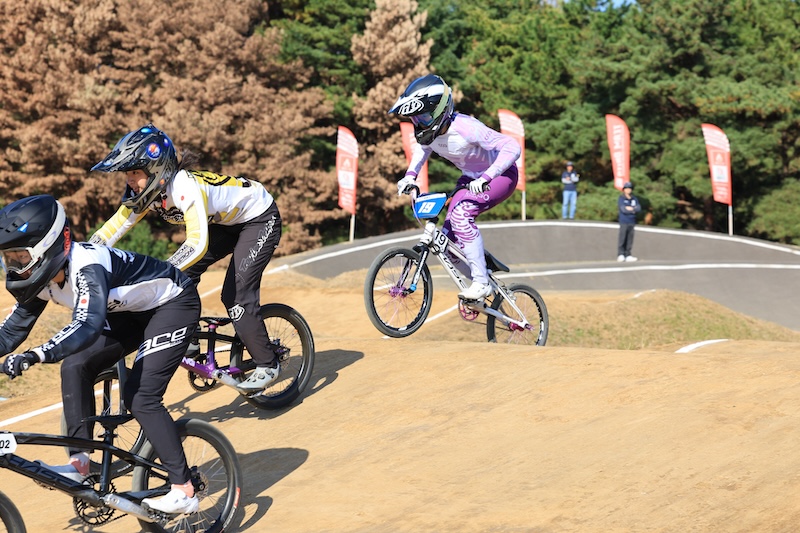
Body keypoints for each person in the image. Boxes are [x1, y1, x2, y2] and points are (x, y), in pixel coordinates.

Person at [0, 195, 201, 514]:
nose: (14, 267)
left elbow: (86, 326)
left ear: (46, 247)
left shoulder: (86, 266)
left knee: (141, 397)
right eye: (8, 259)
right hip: (127, 313)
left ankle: (184, 488)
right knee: (75, 366)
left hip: (171, 305)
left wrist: (37, 354)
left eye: (20, 257)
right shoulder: (41, 278)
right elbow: (10, 332)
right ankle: (80, 464)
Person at [89, 124, 282, 392]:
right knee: (182, 277)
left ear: (156, 170)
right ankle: (188, 336)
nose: (129, 180)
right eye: (126, 174)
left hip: (259, 218)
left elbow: (197, 244)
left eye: (134, 172)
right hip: (225, 224)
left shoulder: (183, 187)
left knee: (235, 295)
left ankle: (268, 364)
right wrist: (82, 257)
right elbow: (114, 228)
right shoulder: (147, 192)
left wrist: (160, 272)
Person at [389, 74, 521, 301]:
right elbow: (423, 150)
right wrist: (410, 176)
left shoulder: (466, 127)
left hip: (500, 176)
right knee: (446, 244)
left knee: (461, 216)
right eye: (415, 119)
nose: (419, 123)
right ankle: (485, 286)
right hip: (469, 179)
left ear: (440, 111)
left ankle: (481, 283)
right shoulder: (430, 134)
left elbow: (512, 146)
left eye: (423, 116)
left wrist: (486, 177)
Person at [617, 182, 641, 262]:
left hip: (632, 221)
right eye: (626, 188)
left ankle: (628, 254)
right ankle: (621, 254)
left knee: (630, 238)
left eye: (630, 188)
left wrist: (631, 209)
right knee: (622, 237)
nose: (628, 190)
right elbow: (623, 209)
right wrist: (632, 209)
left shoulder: (634, 199)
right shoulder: (621, 198)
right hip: (624, 221)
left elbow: (638, 208)